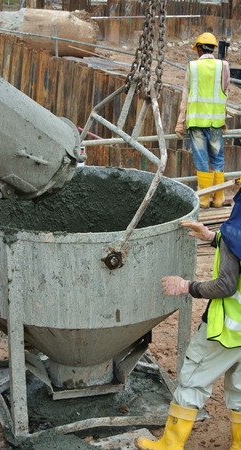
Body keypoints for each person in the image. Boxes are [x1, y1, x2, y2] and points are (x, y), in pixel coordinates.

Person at [135, 188, 241, 450]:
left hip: (228, 328)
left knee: (192, 379)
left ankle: (170, 444)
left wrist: (186, 286)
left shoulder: (238, 225)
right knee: (240, 387)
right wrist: (213, 237)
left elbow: (226, 285)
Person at [175, 32, 230, 209]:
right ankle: (219, 198)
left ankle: (204, 200)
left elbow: (185, 97)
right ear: (213, 48)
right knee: (217, 159)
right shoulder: (224, 66)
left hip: (196, 122)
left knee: (200, 158)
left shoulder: (192, 67)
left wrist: (180, 122)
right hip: (215, 122)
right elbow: (225, 94)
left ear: (199, 49)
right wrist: (223, 119)